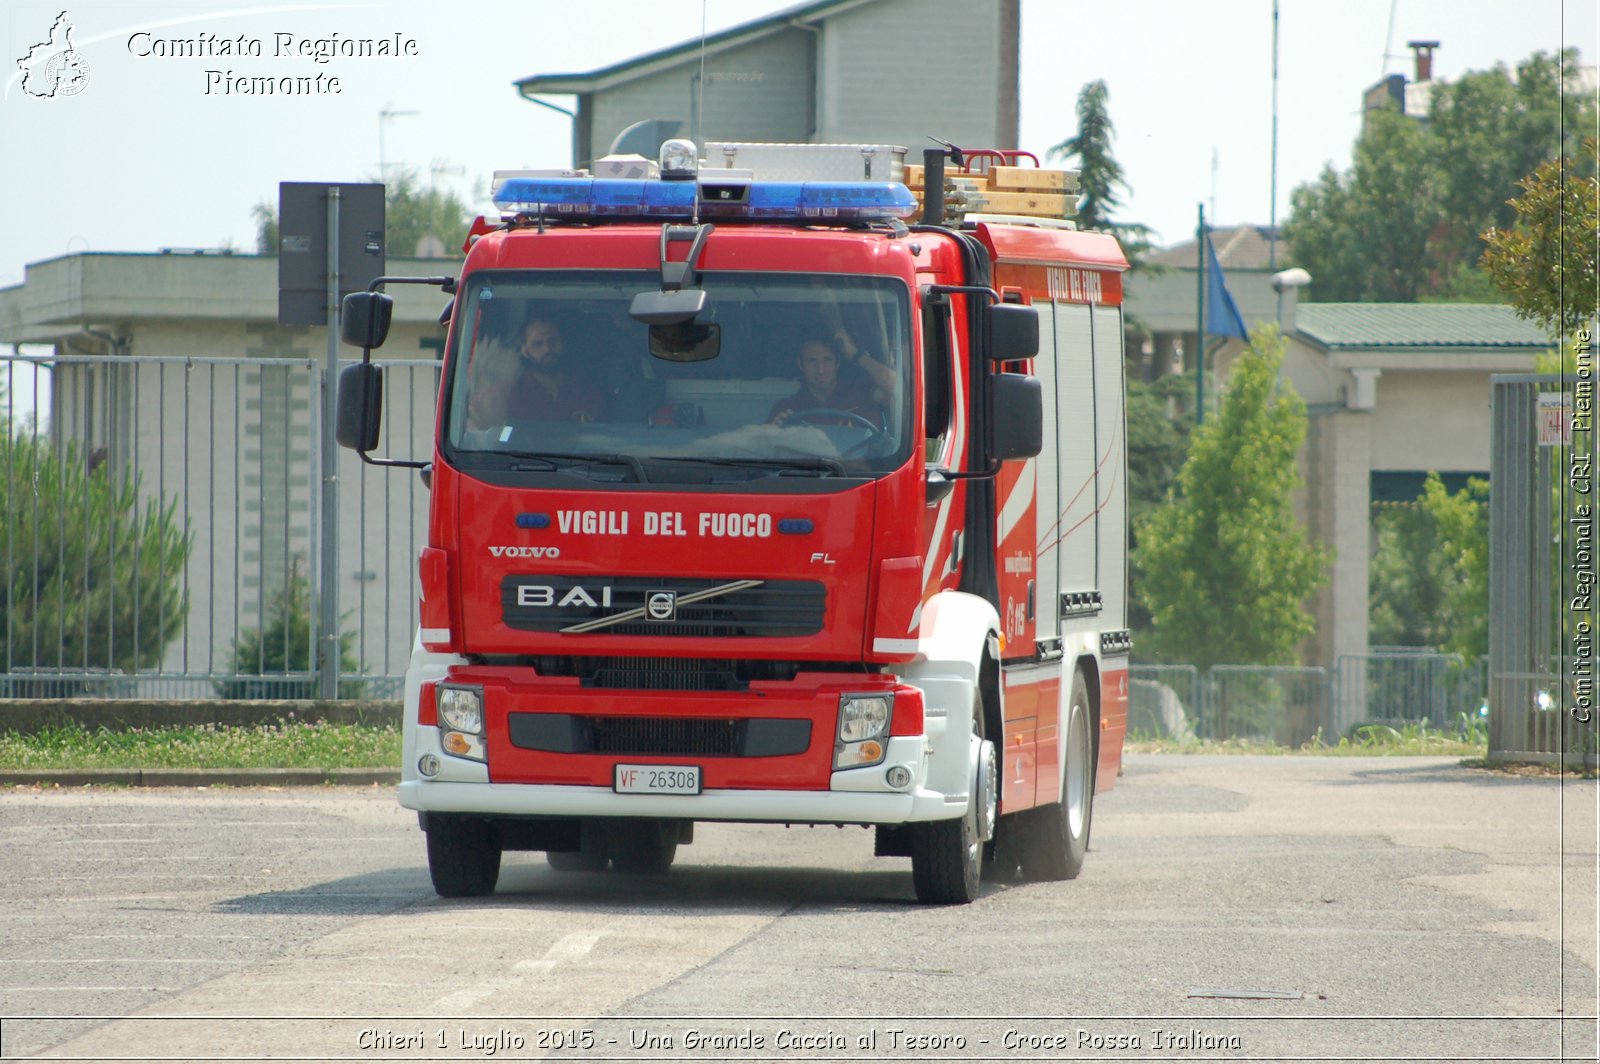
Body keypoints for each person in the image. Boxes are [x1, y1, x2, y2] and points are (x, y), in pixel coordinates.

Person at [768, 332, 893, 428]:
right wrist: (775, 431)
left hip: (865, 462)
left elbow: (899, 390)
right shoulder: (786, 409)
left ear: (837, 363)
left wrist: (856, 355)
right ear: (800, 365)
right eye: (812, 361)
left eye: (827, 359)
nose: (820, 369)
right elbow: (766, 450)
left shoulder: (862, 392)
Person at [506, 316, 606, 423]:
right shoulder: (513, 392)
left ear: (563, 342)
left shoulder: (587, 389)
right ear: (525, 351)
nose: (547, 349)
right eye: (538, 344)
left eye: (552, 341)